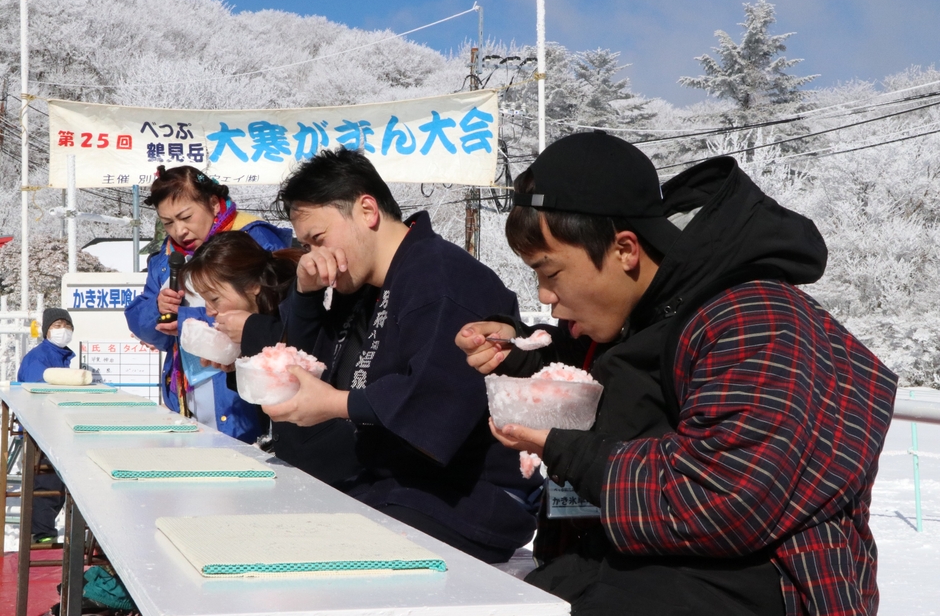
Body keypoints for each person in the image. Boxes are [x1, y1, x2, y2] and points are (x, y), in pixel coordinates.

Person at [455, 131, 898, 615]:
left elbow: (722, 497)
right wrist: (518, 354)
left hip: (754, 590)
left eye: (551, 272)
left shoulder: (757, 321)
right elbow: (616, 367)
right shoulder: (651, 311)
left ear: (625, 249)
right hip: (629, 574)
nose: (544, 296)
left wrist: (562, 449)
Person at [260, 147, 542, 564]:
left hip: (469, 494)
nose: (314, 256)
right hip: (393, 482)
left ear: (367, 210)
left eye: (318, 240)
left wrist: (336, 403)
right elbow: (308, 366)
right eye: (304, 246)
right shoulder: (360, 287)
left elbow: (437, 395)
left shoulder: (442, 274)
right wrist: (304, 296)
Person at [178, 230, 360, 486]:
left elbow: (306, 355)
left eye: (215, 298)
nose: (210, 310)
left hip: (336, 471)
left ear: (253, 286)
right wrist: (234, 366)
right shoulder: (268, 313)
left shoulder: (301, 304)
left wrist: (251, 328)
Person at [125, 165, 292, 443]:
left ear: (213, 204)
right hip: (186, 391)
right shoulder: (166, 258)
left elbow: (277, 309)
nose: (179, 231)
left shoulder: (254, 238)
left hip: (241, 395)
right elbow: (147, 327)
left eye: (186, 217)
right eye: (167, 223)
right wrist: (159, 309)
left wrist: (190, 318)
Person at [17, 308, 74, 543]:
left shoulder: (61, 356)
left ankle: (44, 533)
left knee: (57, 484)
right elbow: (38, 390)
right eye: (56, 325)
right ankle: (40, 536)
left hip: (55, 428)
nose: (62, 330)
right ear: (46, 330)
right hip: (41, 430)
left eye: (66, 325)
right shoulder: (38, 357)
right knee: (46, 483)